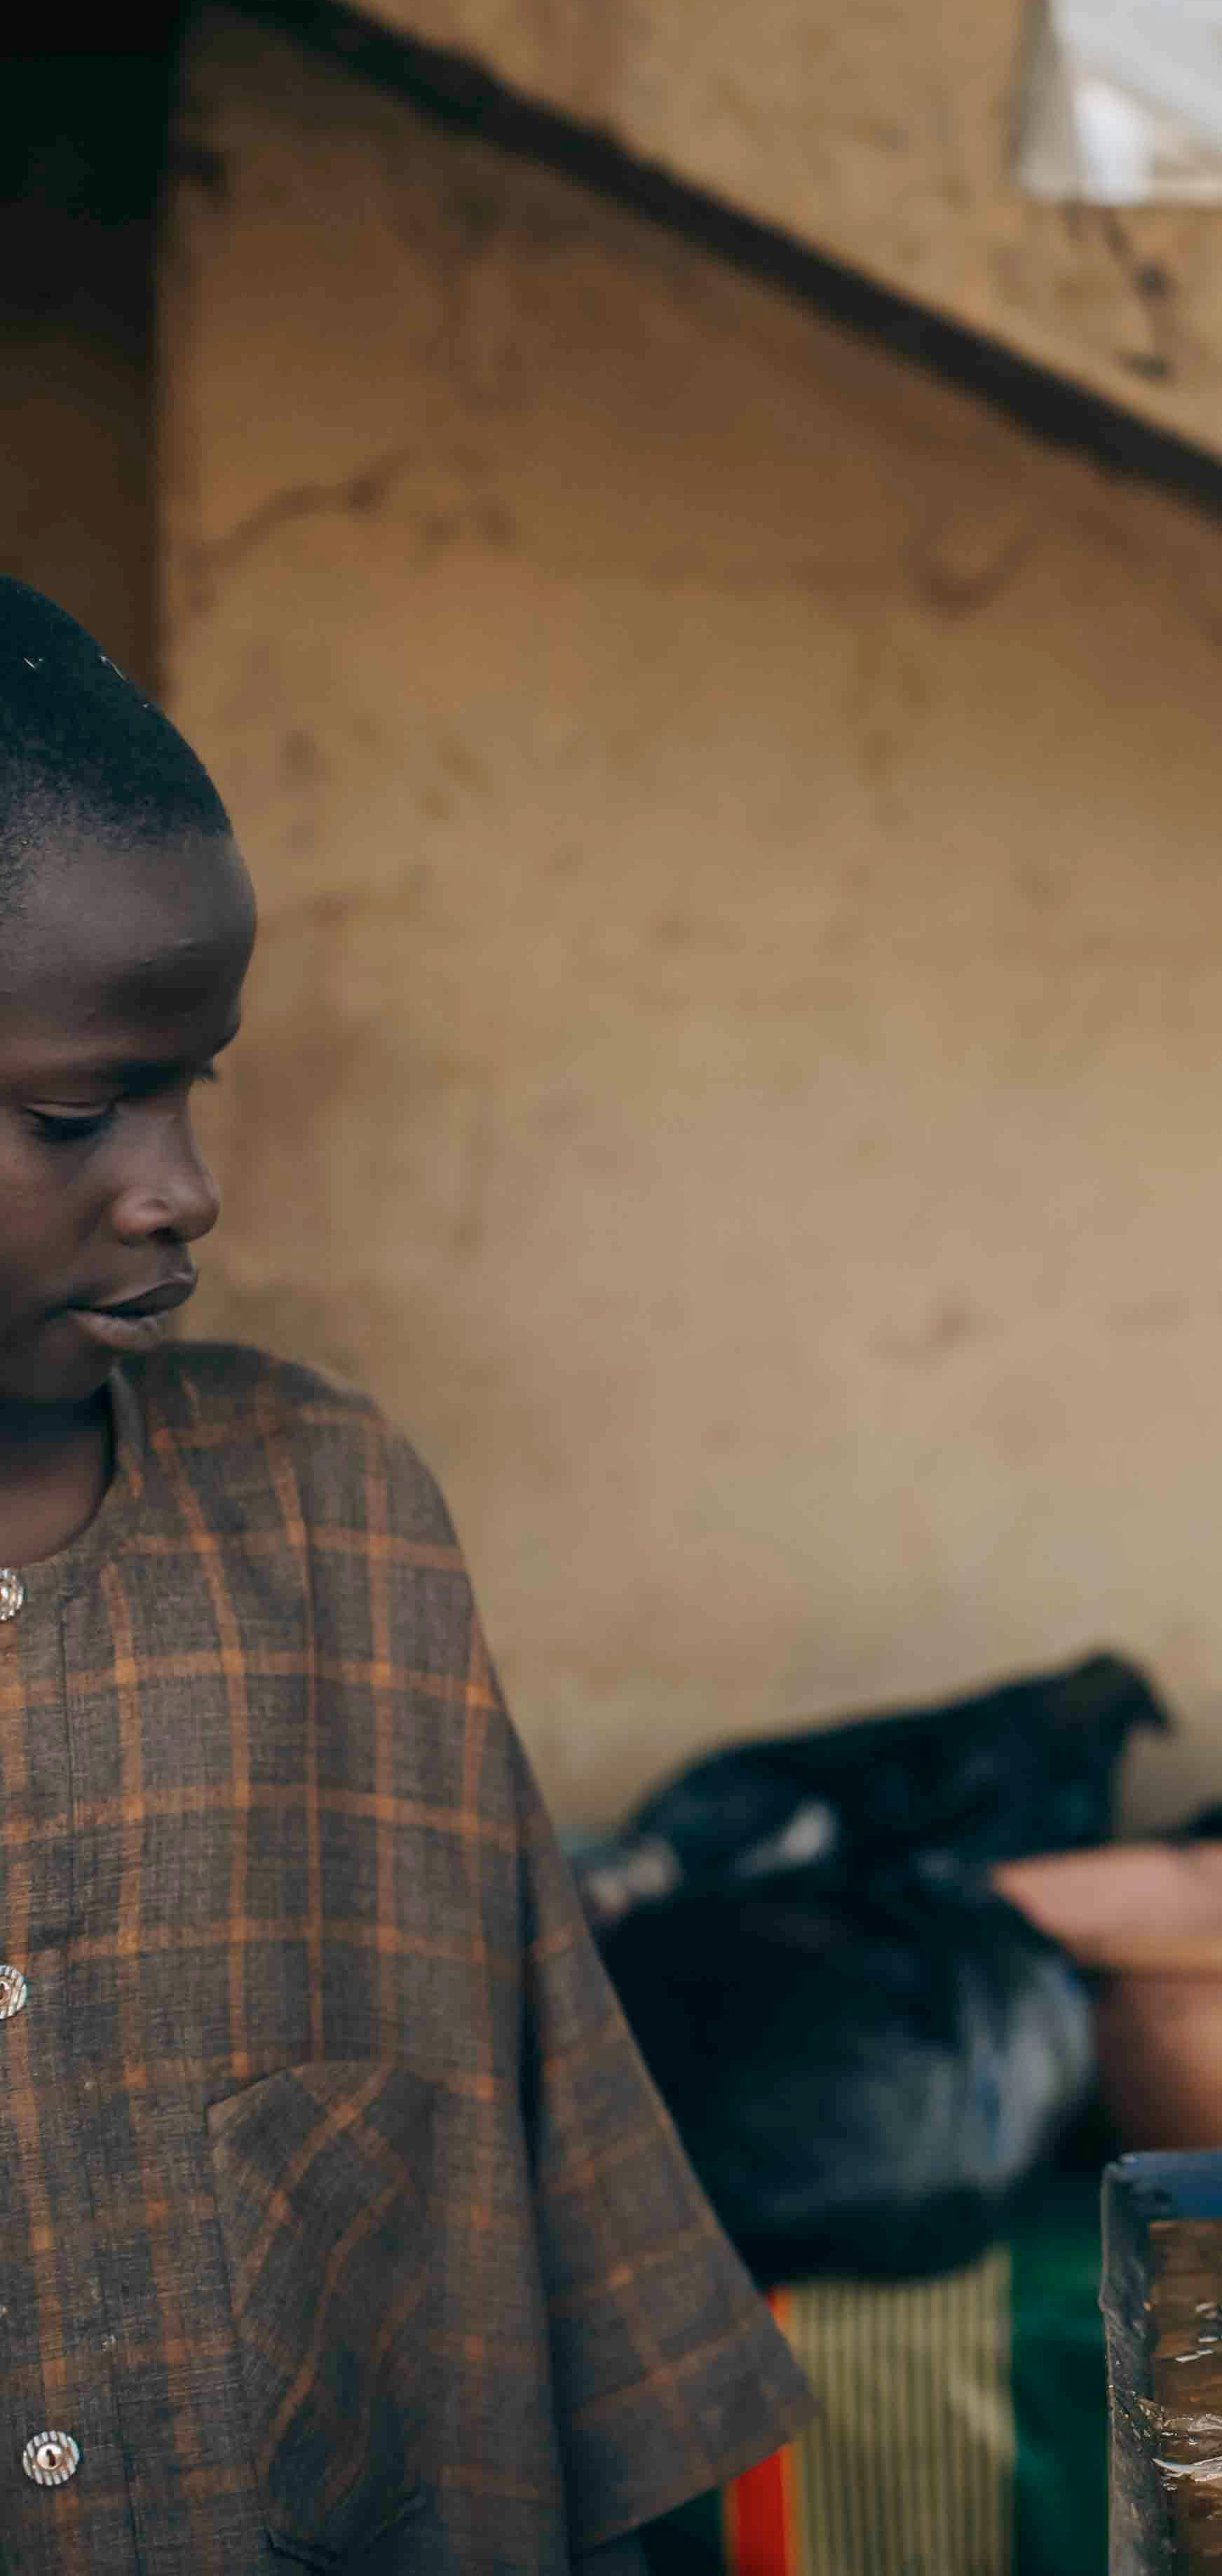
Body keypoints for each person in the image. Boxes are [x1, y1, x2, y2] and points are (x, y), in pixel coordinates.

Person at [0, 581, 806, 2570]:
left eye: (195, 1084)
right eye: (79, 1111)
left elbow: (580, 2290)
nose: (181, 1182)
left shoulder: (327, 1523)